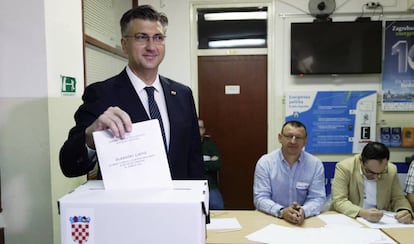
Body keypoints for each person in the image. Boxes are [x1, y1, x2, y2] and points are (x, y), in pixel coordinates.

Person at [59, 5, 203, 180]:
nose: (151, 46)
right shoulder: (101, 94)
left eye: (158, 38)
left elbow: (194, 158)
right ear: (124, 44)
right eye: (141, 37)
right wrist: (90, 136)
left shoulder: (182, 94)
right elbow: (69, 165)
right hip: (127, 204)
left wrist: (200, 203)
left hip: (178, 202)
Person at [253, 120, 326, 225]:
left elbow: (317, 198)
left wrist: (304, 211)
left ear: (305, 141)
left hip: (303, 221)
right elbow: (260, 198)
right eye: (289, 136)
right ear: (280, 138)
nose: (293, 141)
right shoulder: (265, 163)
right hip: (272, 219)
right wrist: (281, 211)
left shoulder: (315, 164)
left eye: (298, 138)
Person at [331, 142, 413, 224]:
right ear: (361, 160)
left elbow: (398, 198)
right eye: (370, 172)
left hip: (382, 221)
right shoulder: (345, 168)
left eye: (381, 172)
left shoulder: (391, 170)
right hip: (352, 219)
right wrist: (362, 212)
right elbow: (339, 201)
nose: (376, 177)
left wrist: (404, 210)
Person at [199, 119, 224, 210]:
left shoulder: (210, 146)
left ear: (204, 130)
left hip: (210, 185)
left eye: (200, 128)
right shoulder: (188, 145)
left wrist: (200, 164)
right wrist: (208, 163)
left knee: (218, 206)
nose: (198, 130)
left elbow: (217, 164)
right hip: (193, 184)